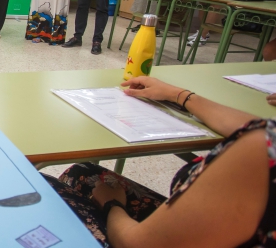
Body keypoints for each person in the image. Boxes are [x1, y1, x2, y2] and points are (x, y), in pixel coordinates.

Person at [44, 76, 274, 248]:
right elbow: (254, 126)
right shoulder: (263, 140)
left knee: (39, 191)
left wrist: (112, 205)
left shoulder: (259, 153)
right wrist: (179, 95)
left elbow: (136, 244)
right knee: (82, 173)